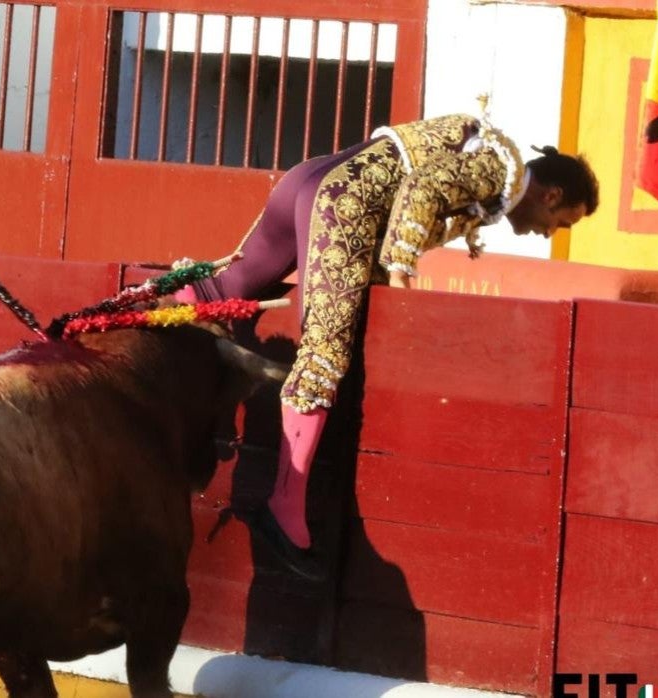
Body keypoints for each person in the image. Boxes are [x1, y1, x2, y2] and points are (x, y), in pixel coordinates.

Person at [177, 112, 599, 578]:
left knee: (223, 290)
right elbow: (424, 187)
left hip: (309, 181)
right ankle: (284, 508)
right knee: (323, 358)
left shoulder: (487, 151)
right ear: (552, 195)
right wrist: (400, 272)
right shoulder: (501, 168)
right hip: (343, 204)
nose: (549, 232)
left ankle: (146, 332)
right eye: (562, 221)